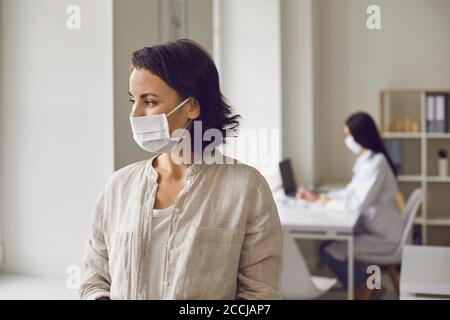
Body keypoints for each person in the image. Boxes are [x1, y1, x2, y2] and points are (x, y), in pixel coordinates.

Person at [80, 39, 282, 300]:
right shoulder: (118, 186)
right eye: (133, 100)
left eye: (149, 101)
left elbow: (261, 294)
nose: (135, 114)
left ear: (192, 106)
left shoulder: (246, 188)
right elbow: (94, 279)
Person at [297, 112, 403, 299]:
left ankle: (365, 287)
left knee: (328, 251)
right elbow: (351, 191)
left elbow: (357, 205)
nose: (347, 139)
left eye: (348, 135)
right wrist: (320, 196)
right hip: (374, 228)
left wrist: (326, 202)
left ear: (360, 135)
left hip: (384, 237)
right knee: (329, 246)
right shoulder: (366, 159)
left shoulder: (377, 163)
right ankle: (367, 285)